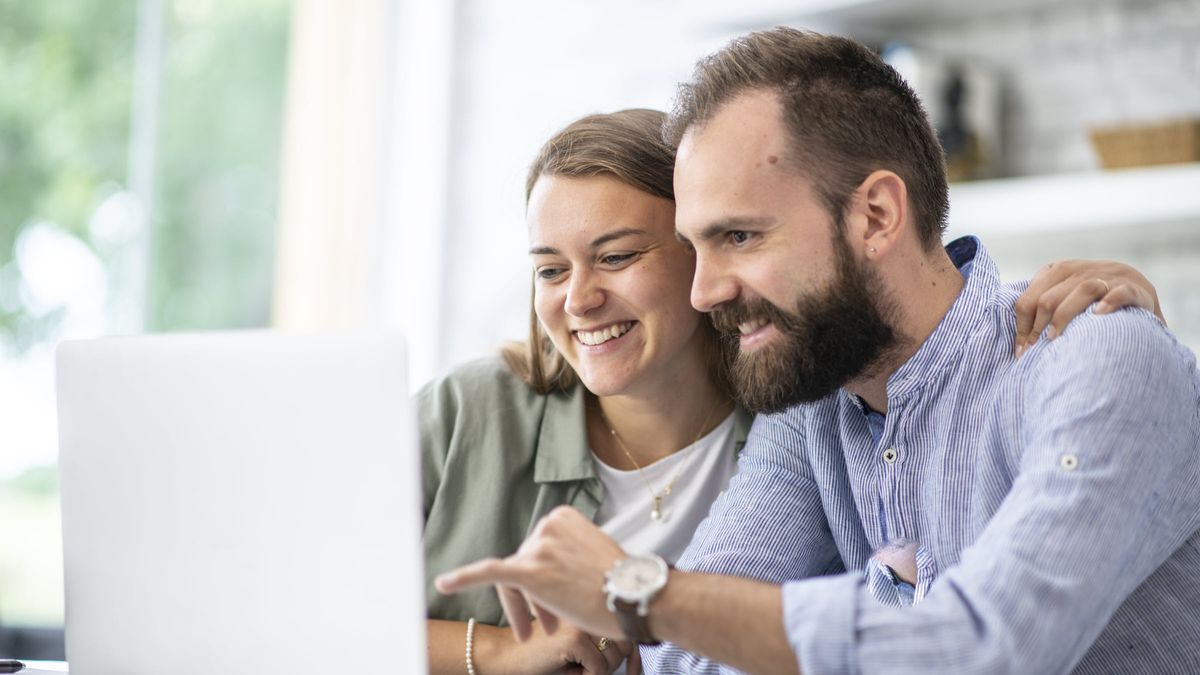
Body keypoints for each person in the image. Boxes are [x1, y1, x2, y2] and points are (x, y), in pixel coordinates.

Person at [434, 28, 1200, 674]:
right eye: (696, 247)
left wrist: (639, 588)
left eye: (739, 236)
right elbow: (689, 664)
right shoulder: (811, 407)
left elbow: (987, 647)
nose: (703, 293)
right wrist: (878, 594)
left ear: (874, 215)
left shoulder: (1092, 358)